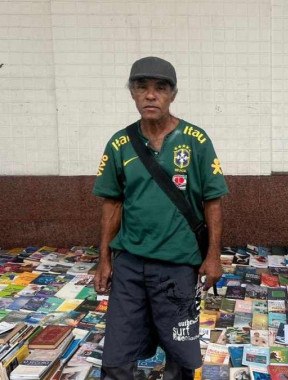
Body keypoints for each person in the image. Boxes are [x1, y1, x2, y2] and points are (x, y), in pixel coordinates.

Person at [92, 56, 228, 380]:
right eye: (142, 87)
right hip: (130, 264)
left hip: (178, 264)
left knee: (181, 355)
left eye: (160, 88)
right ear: (132, 94)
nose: (150, 95)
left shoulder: (196, 141)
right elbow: (111, 204)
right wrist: (104, 258)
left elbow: (213, 202)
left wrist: (213, 257)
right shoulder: (120, 143)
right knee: (116, 354)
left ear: (173, 95)